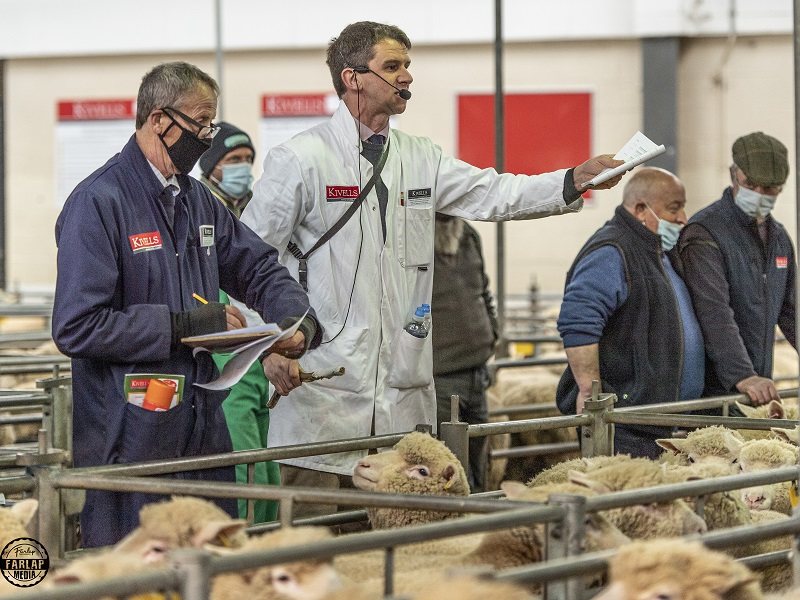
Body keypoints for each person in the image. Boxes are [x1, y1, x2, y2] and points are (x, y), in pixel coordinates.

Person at [241, 20, 624, 513]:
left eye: (407, 66)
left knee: (395, 554)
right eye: (392, 66)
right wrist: (270, 345)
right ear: (352, 77)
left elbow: (496, 193)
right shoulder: (300, 160)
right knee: (313, 556)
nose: (406, 78)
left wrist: (573, 179)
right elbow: (248, 260)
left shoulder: (421, 159)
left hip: (401, 400)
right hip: (322, 393)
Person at [52, 61, 321, 547]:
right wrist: (179, 326)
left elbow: (255, 265)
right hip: (129, 437)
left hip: (201, 426)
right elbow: (77, 327)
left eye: (210, 123)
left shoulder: (196, 200)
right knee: (137, 573)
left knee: (213, 563)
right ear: (159, 119)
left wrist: (295, 317)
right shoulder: (99, 201)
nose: (206, 134)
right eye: (200, 122)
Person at [555, 167, 705, 459]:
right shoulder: (613, 250)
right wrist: (590, 392)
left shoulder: (657, 251)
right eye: (674, 208)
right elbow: (579, 318)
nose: (683, 218)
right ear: (640, 209)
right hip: (625, 426)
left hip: (661, 422)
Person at [199, 123, 280, 523]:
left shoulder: (249, 215)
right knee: (243, 474)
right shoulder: (195, 213)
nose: (242, 168)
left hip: (256, 357)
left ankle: (266, 559)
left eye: (248, 160)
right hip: (223, 365)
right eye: (232, 161)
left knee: (266, 471)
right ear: (210, 166)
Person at [679, 131, 796, 407]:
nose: (759, 195)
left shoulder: (778, 238)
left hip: (756, 386)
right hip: (715, 391)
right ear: (734, 175)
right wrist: (742, 374)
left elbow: (791, 311)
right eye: (751, 184)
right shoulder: (705, 233)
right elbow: (713, 310)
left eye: (770, 189)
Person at [431, 214, 498, 492]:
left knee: (479, 455)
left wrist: (492, 331)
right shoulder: (410, 238)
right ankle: (452, 528)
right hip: (440, 376)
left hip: (476, 372)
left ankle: (477, 520)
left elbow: (482, 289)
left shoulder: (468, 235)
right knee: (446, 464)